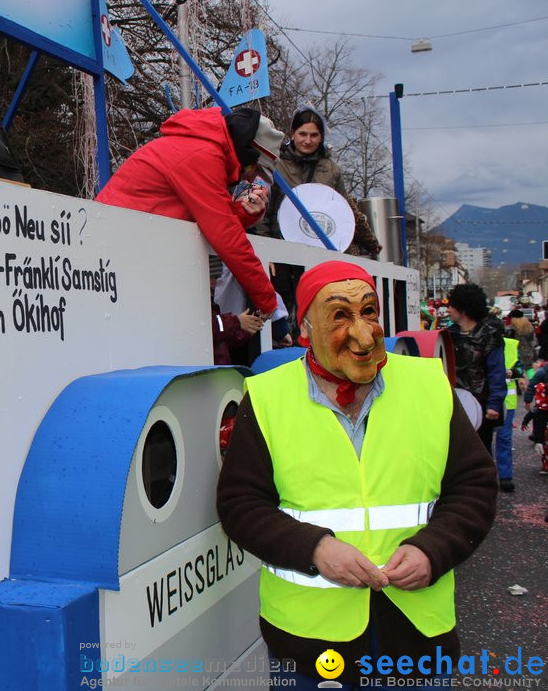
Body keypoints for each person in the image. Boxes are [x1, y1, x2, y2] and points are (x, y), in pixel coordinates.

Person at [217, 260, 497, 689]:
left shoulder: (427, 386)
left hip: (417, 639)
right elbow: (241, 505)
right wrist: (315, 549)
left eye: (369, 312)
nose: (364, 333)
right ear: (305, 328)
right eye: (341, 316)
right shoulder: (269, 399)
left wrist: (432, 551)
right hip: (310, 644)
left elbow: (474, 487)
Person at [96, 106, 283, 317]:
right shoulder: (203, 155)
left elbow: (215, 220)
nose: (251, 179)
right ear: (247, 152)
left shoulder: (200, 148)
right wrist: (269, 302)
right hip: (115, 251)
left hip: (125, 248)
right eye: (256, 170)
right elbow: (225, 235)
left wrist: (249, 213)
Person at [257, 107, 381, 260]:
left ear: (321, 137)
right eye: (303, 134)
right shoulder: (276, 165)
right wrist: (267, 251)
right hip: (284, 251)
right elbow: (262, 212)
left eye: (314, 135)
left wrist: (370, 244)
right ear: (293, 134)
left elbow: (345, 212)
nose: (308, 140)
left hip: (322, 252)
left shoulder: (331, 169)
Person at [446, 284, 506, 455]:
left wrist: (494, 404)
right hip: (455, 404)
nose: (448, 309)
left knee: (480, 453)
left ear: (463, 309)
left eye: (451, 305)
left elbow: (496, 372)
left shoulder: (490, 336)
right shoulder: (448, 335)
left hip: (481, 403)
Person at [492, 335, 520, 492]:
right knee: (483, 439)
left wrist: (514, 372)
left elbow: (521, 368)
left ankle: (505, 477)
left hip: (507, 402)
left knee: (504, 438)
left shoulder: (510, 345)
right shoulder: (479, 341)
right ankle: (486, 477)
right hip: (486, 400)